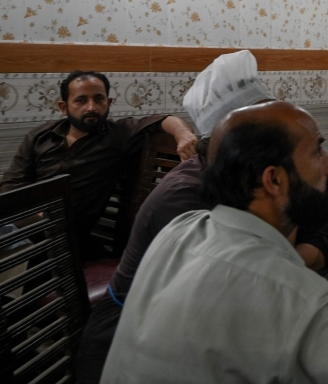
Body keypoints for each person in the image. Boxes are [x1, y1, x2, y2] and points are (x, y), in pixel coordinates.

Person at [101, 101, 328, 384]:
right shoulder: (290, 288)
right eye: (317, 151)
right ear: (273, 179)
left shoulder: (180, 231)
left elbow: (259, 319)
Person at [75, 51, 328, 384]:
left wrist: (293, 261)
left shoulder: (265, 182)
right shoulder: (185, 199)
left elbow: (318, 227)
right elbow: (240, 294)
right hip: (137, 341)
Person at [0, 70, 197, 259]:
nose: (91, 107)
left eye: (99, 99)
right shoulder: (39, 137)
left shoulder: (117, 135)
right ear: (63, 107)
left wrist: (184, 134)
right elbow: (10, 187)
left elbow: (164, 120)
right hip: (27, 226)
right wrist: (34, 215)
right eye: (81, 100)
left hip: (67, 239)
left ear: (109, 102)